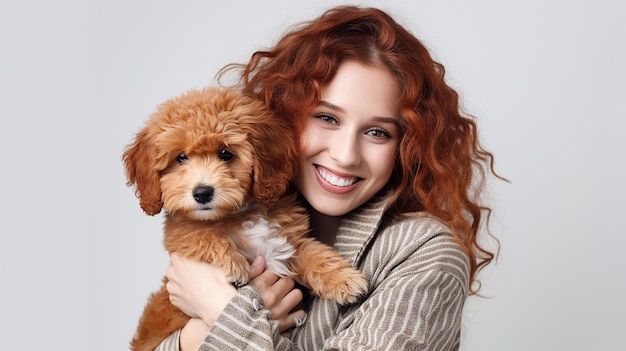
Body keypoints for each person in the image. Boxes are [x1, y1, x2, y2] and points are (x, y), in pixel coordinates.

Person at [154, 5, 501, 351]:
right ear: (287, 114)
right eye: (327, 118)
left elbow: (225, 316)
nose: (346, 154)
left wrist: (219, 310)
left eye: (378, 132)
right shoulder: (229, 219)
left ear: (408, 146)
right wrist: (191, 337)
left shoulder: (426, 253)